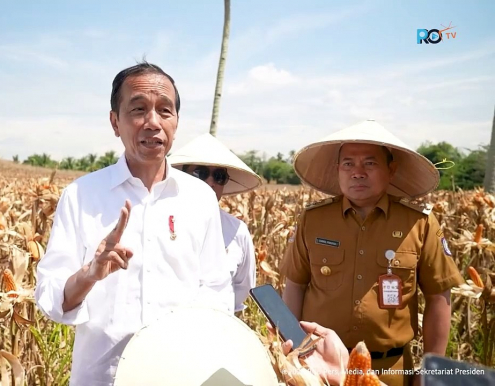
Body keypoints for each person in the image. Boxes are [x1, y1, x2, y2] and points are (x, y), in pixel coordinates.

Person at [34, 61, 234, 386]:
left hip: (180, 375)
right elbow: (51, 297)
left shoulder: (200, 198)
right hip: (102, 377)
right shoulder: (81, 195)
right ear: (115, 121)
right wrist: (89, 274)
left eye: (164, 111)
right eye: (138, 109)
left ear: (177, 122)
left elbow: (216, 289)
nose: (152, 122)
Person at [279, 119, 465, 386]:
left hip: (391, 370)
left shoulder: (419, 224)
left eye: (369, 163)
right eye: (348, 164)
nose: (357, 172)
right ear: (338, 170)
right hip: (319, 366)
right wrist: (293, 355)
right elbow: (295, 286)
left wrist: (431, 372)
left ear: (391, 169)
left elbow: (439, 298)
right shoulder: (313, 220)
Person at [168, 133, 263, 312]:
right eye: (200, 174)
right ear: (182, 176)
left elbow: (242, 288)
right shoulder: (163, 222)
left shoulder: (238, 231)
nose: (210, 182)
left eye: (219, 176)